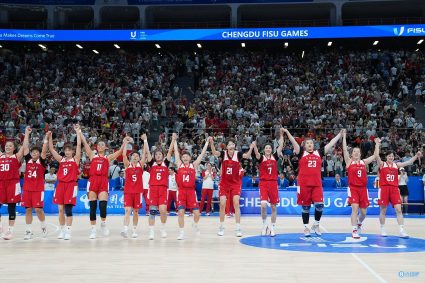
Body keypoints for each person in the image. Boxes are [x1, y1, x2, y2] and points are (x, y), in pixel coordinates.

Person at [283, 128, 343, 237]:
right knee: (305, 207)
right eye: (308, 143)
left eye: (311, 143)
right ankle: (306, 227)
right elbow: (293, 141)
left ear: (313, 144)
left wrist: (339, 134)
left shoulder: (319, 152)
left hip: (316, 184)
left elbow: (331, 143)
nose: (310, 144)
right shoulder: (301, 152)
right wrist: (287, 132)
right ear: (304, 145)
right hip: (304, 184)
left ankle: (316, 224)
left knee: (319, 205)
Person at [80, 131, 130, 239]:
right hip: (93, 180)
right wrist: (79, 132)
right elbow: (85, 144)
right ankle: (93, 230)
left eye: (103, 144)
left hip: (103, 181)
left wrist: (124, 142)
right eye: (99, 144)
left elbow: (120, 151)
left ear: (105, 147)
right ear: (96, 147)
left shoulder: (108, 158)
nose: (100, 146)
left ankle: (103, 223)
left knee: (103, 206)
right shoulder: (92, 155)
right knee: (92, 207)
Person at [209, 136, 254, 237]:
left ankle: (238, 228)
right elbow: (215, 152)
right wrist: (211, 143)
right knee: (222, 204)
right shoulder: (223, 154)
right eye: (229, 144)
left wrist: (251, 148)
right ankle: (221, 227)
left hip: (235, 184)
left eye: (232, 144)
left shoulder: (238, 154)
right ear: (227, 147)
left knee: (236, 203)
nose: (231, 146)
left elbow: (246, 156)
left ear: (235, 146)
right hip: (224, 183)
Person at [375, 143, 422, 238]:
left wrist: (416, 156)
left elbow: (408, 162)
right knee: (383, 210)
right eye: (389, 156)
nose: (391, 157)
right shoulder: (382, 164)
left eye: (392, 156)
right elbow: (376, 155)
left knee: (398, 209)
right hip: (384, 188)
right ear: (386, 157)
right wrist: (377, 144)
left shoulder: (397, 165)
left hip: (394, 189)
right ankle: (383, 229)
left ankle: (401, 230)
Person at [342, 129, 379, 239]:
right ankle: (354, 230)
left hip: (363, 189)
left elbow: (375, 155)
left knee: (363, 213)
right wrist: (344, 136)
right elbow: (344, 150)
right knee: (355, 208)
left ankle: (359, 224)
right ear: (352, 154)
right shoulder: (349, 162)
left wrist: (377, 144)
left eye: (358, 152)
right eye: (354, 152)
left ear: (360, 153)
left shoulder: (364, 162)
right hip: (353, 188)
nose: (356, 153)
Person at [48, 125, 81, 240]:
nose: (67, 152)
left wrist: (78, 132)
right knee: (60, 209)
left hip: (71, 185)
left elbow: (79, 146)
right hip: (61, 185)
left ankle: (68, 231)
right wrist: (50, 137)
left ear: (72, 151)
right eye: (66, 150)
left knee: (68, 209)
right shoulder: (61, 160)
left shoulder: (75, 159)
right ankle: (62, 230)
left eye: (69, 150)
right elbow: (52, 150)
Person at [173, 133, 209, 240]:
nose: (184, 158)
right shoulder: (179, 165)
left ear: (189, 157)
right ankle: (181, 232)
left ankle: (195, 224)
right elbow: (176, 152)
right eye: (183, 156)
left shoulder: (193, 165)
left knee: (197, 214)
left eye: (186, 156)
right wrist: (174, 140)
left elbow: (202, 155)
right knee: (181, 212)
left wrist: (206, 142)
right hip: (182, 191)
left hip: (191, 192)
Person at [252, 129, 284, 237]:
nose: (268, 149)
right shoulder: (261, 158)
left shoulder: (275, 156)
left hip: (273, 183)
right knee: (263, 206)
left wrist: (282, 135)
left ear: (271, 149)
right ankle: (264, 224)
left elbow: (280, 147)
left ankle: (272, 227)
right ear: (264, 150)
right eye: (266, 148)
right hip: (264, 183)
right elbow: (256, 154)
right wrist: (255, 145)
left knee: (274, 207)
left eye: (269, 148)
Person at [0, 126, 30, 240]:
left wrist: (26, 134)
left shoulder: (16, 157)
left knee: (11, 208)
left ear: (14, 148)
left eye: (10, 146)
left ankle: (10, 231)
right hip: (1, 184)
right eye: (6, 146)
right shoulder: (1, 156)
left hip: (12, 184)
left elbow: (24, 146)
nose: (8, 147)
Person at [143, 133, 174, 240]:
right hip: (153, 189)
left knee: (163, 210)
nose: (158, 156)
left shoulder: (166, 163)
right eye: (156, 154)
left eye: (160, 154)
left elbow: (170, 151)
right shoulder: (152, 164)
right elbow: (147, 152)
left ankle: (163, 229)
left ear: (163, 155)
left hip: (163, 189)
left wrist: (173, 140)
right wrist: (146, 140)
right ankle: (151, 231)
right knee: (152, 211)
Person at [21, 129, 49, 240]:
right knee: (28, 210)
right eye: (33, 152)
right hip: (27, 189)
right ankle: (28, 231)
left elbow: (44, 151)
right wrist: (27, 134)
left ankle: (43, 227)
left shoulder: (41, 161)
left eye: (36, 152)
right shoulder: (28, 160)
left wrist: (46, 139)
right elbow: (25, 147)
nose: (34, 153)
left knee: (38, 209)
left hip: (38, 189)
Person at [121, 137, 144, 238]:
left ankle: (134, 230)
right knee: (127, 210)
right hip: (128, 192)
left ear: (139, 158)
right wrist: (125, 143)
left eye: (137, 155)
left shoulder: (140, 165)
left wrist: (145, 141)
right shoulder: (127, 165)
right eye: (133, 155)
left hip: (138, 192)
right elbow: (123, 155)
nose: (135, 157)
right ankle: (125, 229)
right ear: (131, 157)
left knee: (135, 212)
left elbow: (145, 155)